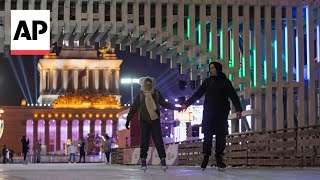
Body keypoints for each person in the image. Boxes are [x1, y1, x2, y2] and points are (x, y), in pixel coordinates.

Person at [181, 62, 242, 170]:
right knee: (207, 135)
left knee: (221, 135)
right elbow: (197, 94)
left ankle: (219, 157)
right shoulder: (207, 82)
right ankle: (206, 156)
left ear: (218, 69)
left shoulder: (225, 82)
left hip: (221, 113)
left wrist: (238, 109)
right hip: (209, 113)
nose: (211, 70)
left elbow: (233, 95)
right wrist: (187, 103)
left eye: (213, 68)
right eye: (210, 68)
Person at [125, 76, 181, 171]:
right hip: (144, 121)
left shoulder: (156, 94)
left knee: (158, 141)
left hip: (155, 120)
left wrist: (176, 108)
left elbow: (164, 104)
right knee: (144, 141)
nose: (148, 86)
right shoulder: (140, 95)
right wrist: (128, 119)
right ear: (143, 85)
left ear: (152, 84)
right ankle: (143, 160)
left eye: (150, 84)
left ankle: (162, 159)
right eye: (146, 84)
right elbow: (134, 107)